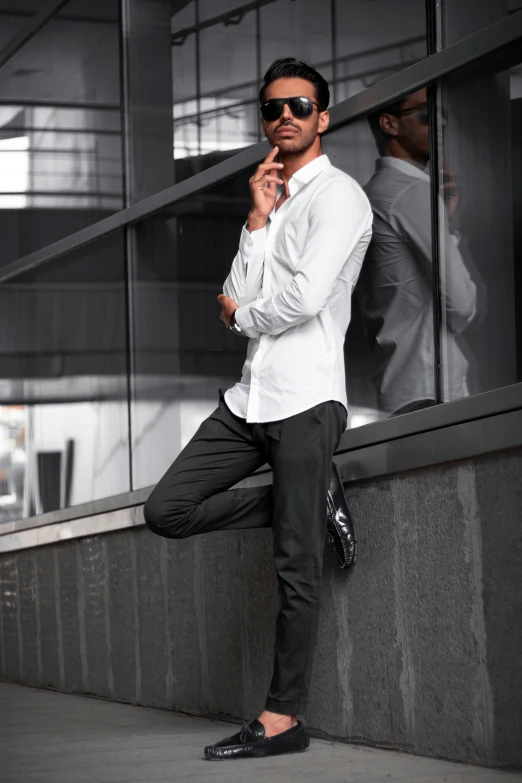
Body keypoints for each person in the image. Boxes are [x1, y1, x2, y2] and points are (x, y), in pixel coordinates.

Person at [143, 57, 372, 760]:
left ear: (323, 118)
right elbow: (234, 289)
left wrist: (243, 316)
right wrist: (255, 218)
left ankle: (283, 718)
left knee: (294, 564)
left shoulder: (340, 197)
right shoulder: (272, 201)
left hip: (306, 400)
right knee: (167, 510)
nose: (285, 118)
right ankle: (301, 498)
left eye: (299, 106)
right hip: (251, 398)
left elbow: (296, 303)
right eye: (273, 108)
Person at [358, 87, 477, 415]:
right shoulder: (410, 192)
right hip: (430, 389)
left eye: (442, 114)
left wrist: (440, 221)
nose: (439, 121)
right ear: (389, 124)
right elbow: (462, 304)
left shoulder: (372, 195)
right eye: (426, 113)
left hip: (401, 386)